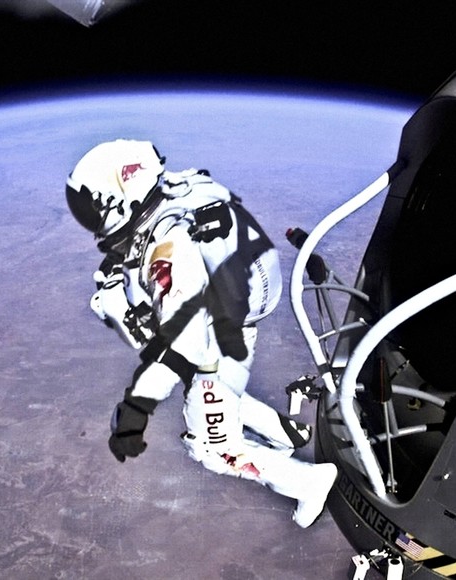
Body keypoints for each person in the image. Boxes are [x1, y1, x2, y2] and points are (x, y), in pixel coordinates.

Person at [65, 139, 337, 528]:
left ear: (119, 200)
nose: (91, 220)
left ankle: (309, 482)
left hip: (217, 334)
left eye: (93, 209)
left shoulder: (169, 252)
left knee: (212, 448)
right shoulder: (182, 187)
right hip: (233, 302)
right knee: (201, 380)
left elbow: (186, 345)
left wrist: (137, 408)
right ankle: (285, 431)